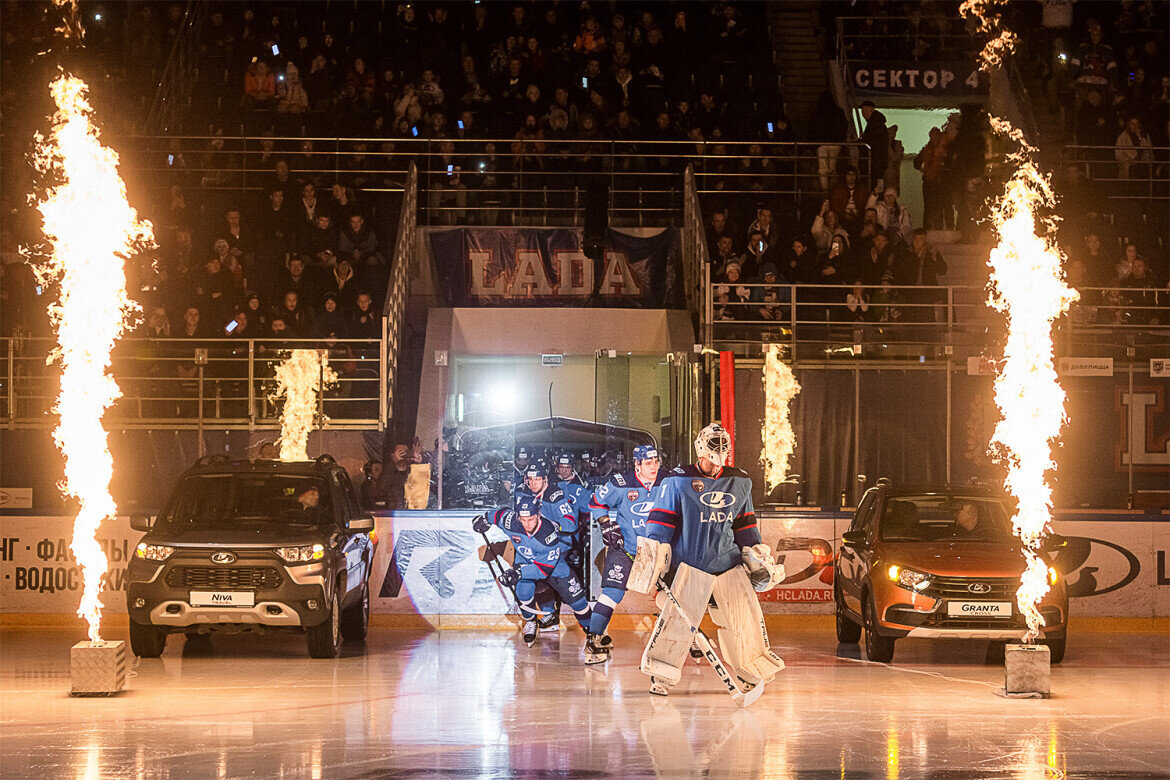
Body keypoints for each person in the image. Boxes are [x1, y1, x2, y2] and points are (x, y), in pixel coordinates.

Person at [636, 423, 785, 697]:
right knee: (676, 625)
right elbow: (660, 526)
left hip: (728, 566)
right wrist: (656, 561)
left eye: (721, 458)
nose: (715, 465)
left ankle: (752, 669)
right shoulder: (676, 481)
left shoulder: (740, 482)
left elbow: (745, 527)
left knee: (743, 623)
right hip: (689, 567)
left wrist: (757, 557)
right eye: (709, 458)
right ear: (699, 451)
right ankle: (662, 674)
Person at [472, 495, 592, 648]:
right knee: (522, 592)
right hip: (525, 562)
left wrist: (517, 573)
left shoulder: (548, 534)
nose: (527, 524)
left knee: (578, 602)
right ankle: (530, 621)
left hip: (553, 567)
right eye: (523, 519)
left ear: (538, 515)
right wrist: (483, 520)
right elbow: (498, 514)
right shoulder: (511, 521)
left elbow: (543, 570)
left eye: (531, 519)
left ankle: (593, 631)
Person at [584, 444, 667, 664]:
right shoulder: (621, 483)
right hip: (627, 549)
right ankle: (594, 640)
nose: (654, 467)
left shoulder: (668, 481)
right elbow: (596, 502)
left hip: (659, 551)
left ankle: (686, 637)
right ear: (637, 464)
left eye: (656, 461)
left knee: (676, 593)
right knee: (612, 592)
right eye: (648, 463)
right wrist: (606, 524)